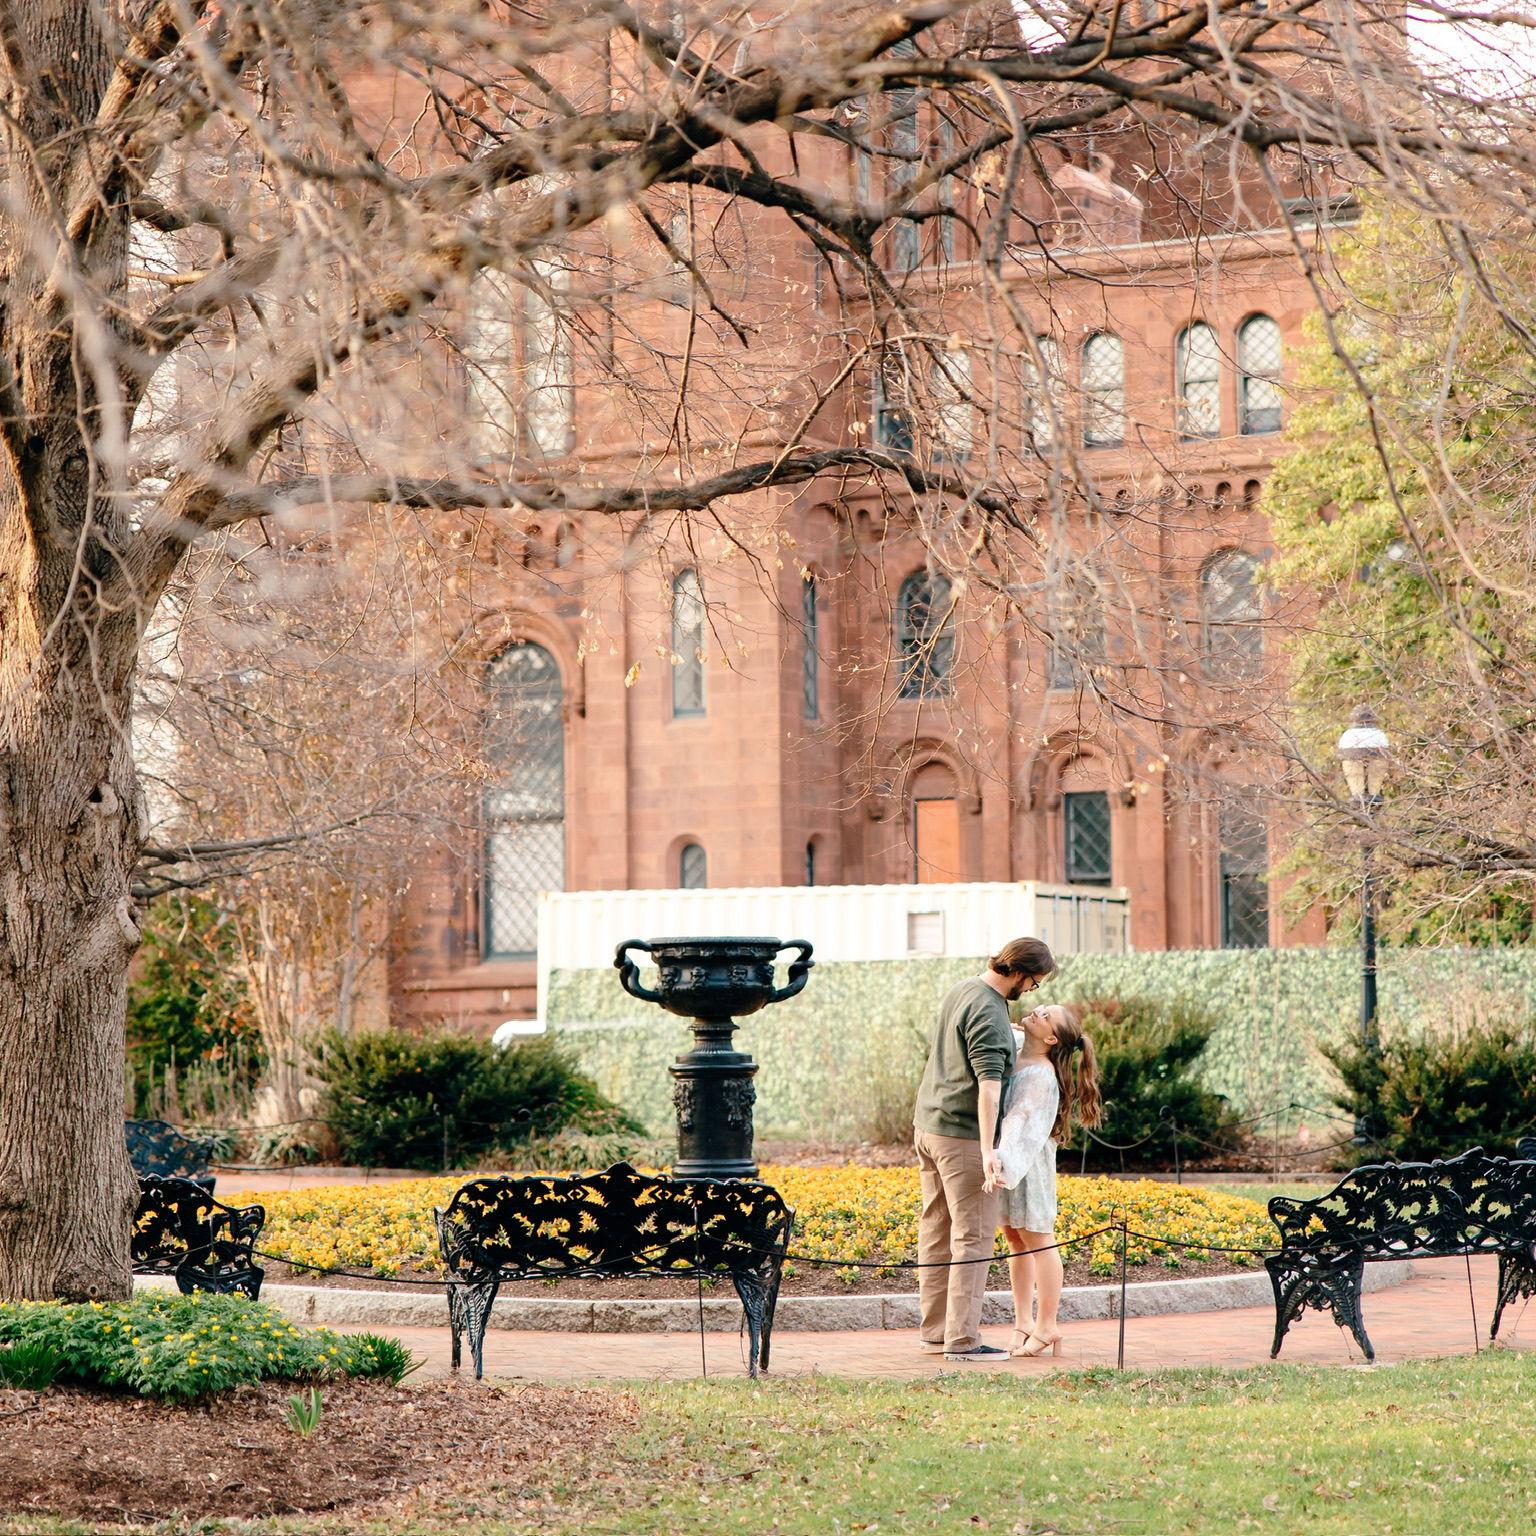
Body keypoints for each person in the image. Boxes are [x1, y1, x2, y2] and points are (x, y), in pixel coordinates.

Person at [912, 937, 1056, 1362]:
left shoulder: (964, 989)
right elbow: (989, 1090)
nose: (1031, 990)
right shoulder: (991, 1014)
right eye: (1033, 982)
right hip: (961, 1137)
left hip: (928, 1127)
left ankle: (935, 1332)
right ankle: (962, 1340)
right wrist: (988, 1151)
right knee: (973, 1238)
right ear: (1019, 971)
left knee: (937, 1232)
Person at [987, 1002, 1103, 1359]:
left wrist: (998, 1157)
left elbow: (1018, 1118)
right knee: (1014, 1238)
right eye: (1042, 1007)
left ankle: (1048, 1324)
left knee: (1038, 1238)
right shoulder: (1023, 1046)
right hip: (1011, 1158)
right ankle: (1023, 1322)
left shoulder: (1039, 1074)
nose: (1037, 1011)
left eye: (1047, 1016)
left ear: (1051, 1039)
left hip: (1028, 1162)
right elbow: (1011, 1030)